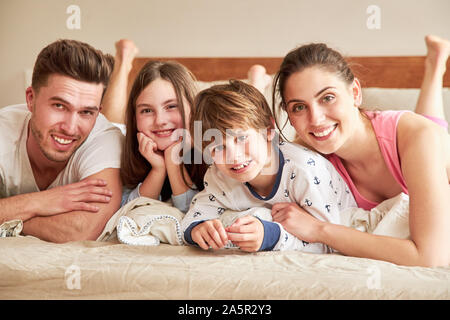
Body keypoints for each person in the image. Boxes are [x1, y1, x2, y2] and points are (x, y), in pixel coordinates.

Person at [271, 35, 450, 267]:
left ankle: (435, 66)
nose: (315, 119)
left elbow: (430, 257)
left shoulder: (418, 135)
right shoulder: (307, 159)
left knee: (429, 130)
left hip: (421, 140)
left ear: (355, 92)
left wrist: (320, 230)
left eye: (327, 97)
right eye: (299, 107)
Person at [181, 80, 356, 252]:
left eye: (241, 138)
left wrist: (271, 237)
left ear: (269, 131)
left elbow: (330, 242)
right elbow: (197, 212)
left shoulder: (304, 170)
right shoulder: (219, 175)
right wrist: (198, 229)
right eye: (218, 147)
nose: (233, 156)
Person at [101, 40, 275, 213]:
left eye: (171, 106)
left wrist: (173, 163)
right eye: (146, 110)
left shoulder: (218, 145)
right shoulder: (120, 147)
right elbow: (126, 208)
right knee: (113, 124)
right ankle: (123, 62)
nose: (160, 120)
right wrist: (158, 170)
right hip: (126, 134)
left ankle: (257, 82)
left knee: (238, 118)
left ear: (192, 108)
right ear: (135, 117)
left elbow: (192, 208)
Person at [0, 39, 124, 243]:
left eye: (86, 112)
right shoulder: (4, 131)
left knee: (118, 122)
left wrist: (10, 216)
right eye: (59, 106)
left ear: (97, 113)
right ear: (30, 99)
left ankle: (124, 62)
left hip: (118, 135)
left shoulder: (106, 139)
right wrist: (40, 202)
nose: (70, 127)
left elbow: (82, 231)